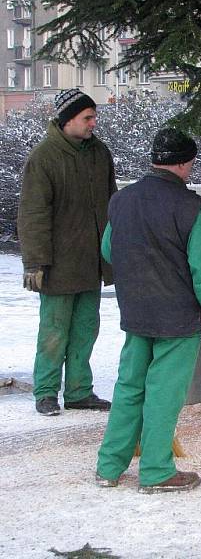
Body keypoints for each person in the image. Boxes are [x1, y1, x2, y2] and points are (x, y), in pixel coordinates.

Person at [95, 128, 201, 494]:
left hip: (136, 312)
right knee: (163, 393)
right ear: (186, 163)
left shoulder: (122, 200)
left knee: (129, 387)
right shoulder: (192, 209)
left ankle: (109, 466)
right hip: (177, 318)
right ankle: (155, 471)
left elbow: (109, 249)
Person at [17, 88, 116, 416]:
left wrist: (115, 253)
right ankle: (46, 392)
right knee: (54, 332)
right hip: (57, 265)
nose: (93, 123)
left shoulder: (99, 153)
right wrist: (34, 263)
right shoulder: (44, 157)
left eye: (94, 116)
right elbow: (32, 214)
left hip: (92, 263)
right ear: (67, 119)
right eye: (88, 117)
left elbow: (112, 204)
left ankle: (78, 391)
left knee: (86, 328)